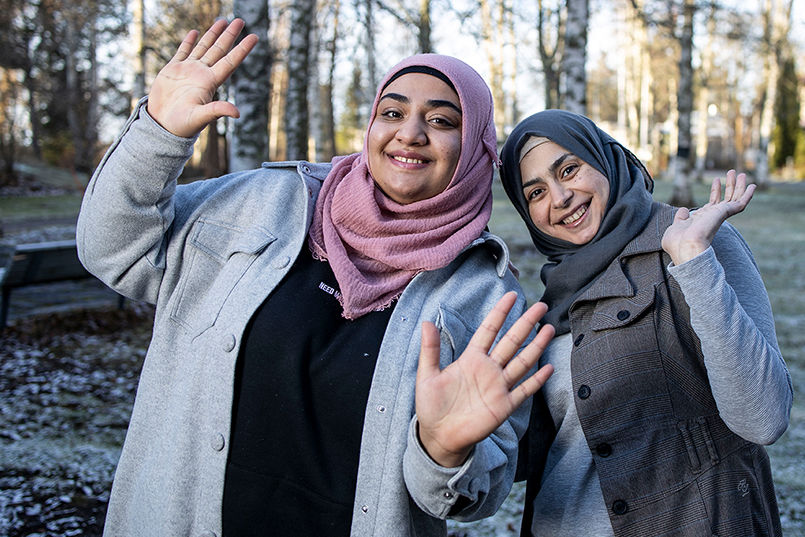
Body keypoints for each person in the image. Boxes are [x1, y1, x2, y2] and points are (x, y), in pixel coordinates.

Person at [77, 18, 555, 537]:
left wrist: (442, 452)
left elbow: (471, 496)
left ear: (476, 147)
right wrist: (156, 134)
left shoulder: (487, 299)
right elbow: (113, 250)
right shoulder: (263, 202)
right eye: (391, 112)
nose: (409, 133)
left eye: (441, 121)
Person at [498, 109, 792, 537]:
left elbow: (763, 418)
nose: (559, 197)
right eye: (536, 192)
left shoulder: (693, 239)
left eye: (570, 169)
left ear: (603, 159)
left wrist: (694, 263)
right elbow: (528, 457)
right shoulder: (546, 304)